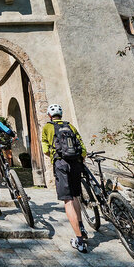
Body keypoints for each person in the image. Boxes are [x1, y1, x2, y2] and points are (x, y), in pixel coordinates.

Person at [41, 103, 88, 253]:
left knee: (67, 200)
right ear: (61, 115)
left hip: (61, 163)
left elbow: (46, 150)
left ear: (49, 115)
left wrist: (55, 157)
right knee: (75, 196)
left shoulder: (47, 128)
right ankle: (81, 227)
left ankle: (79, 240)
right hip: (75, 163)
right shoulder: (71, 126)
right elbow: (82, 148)